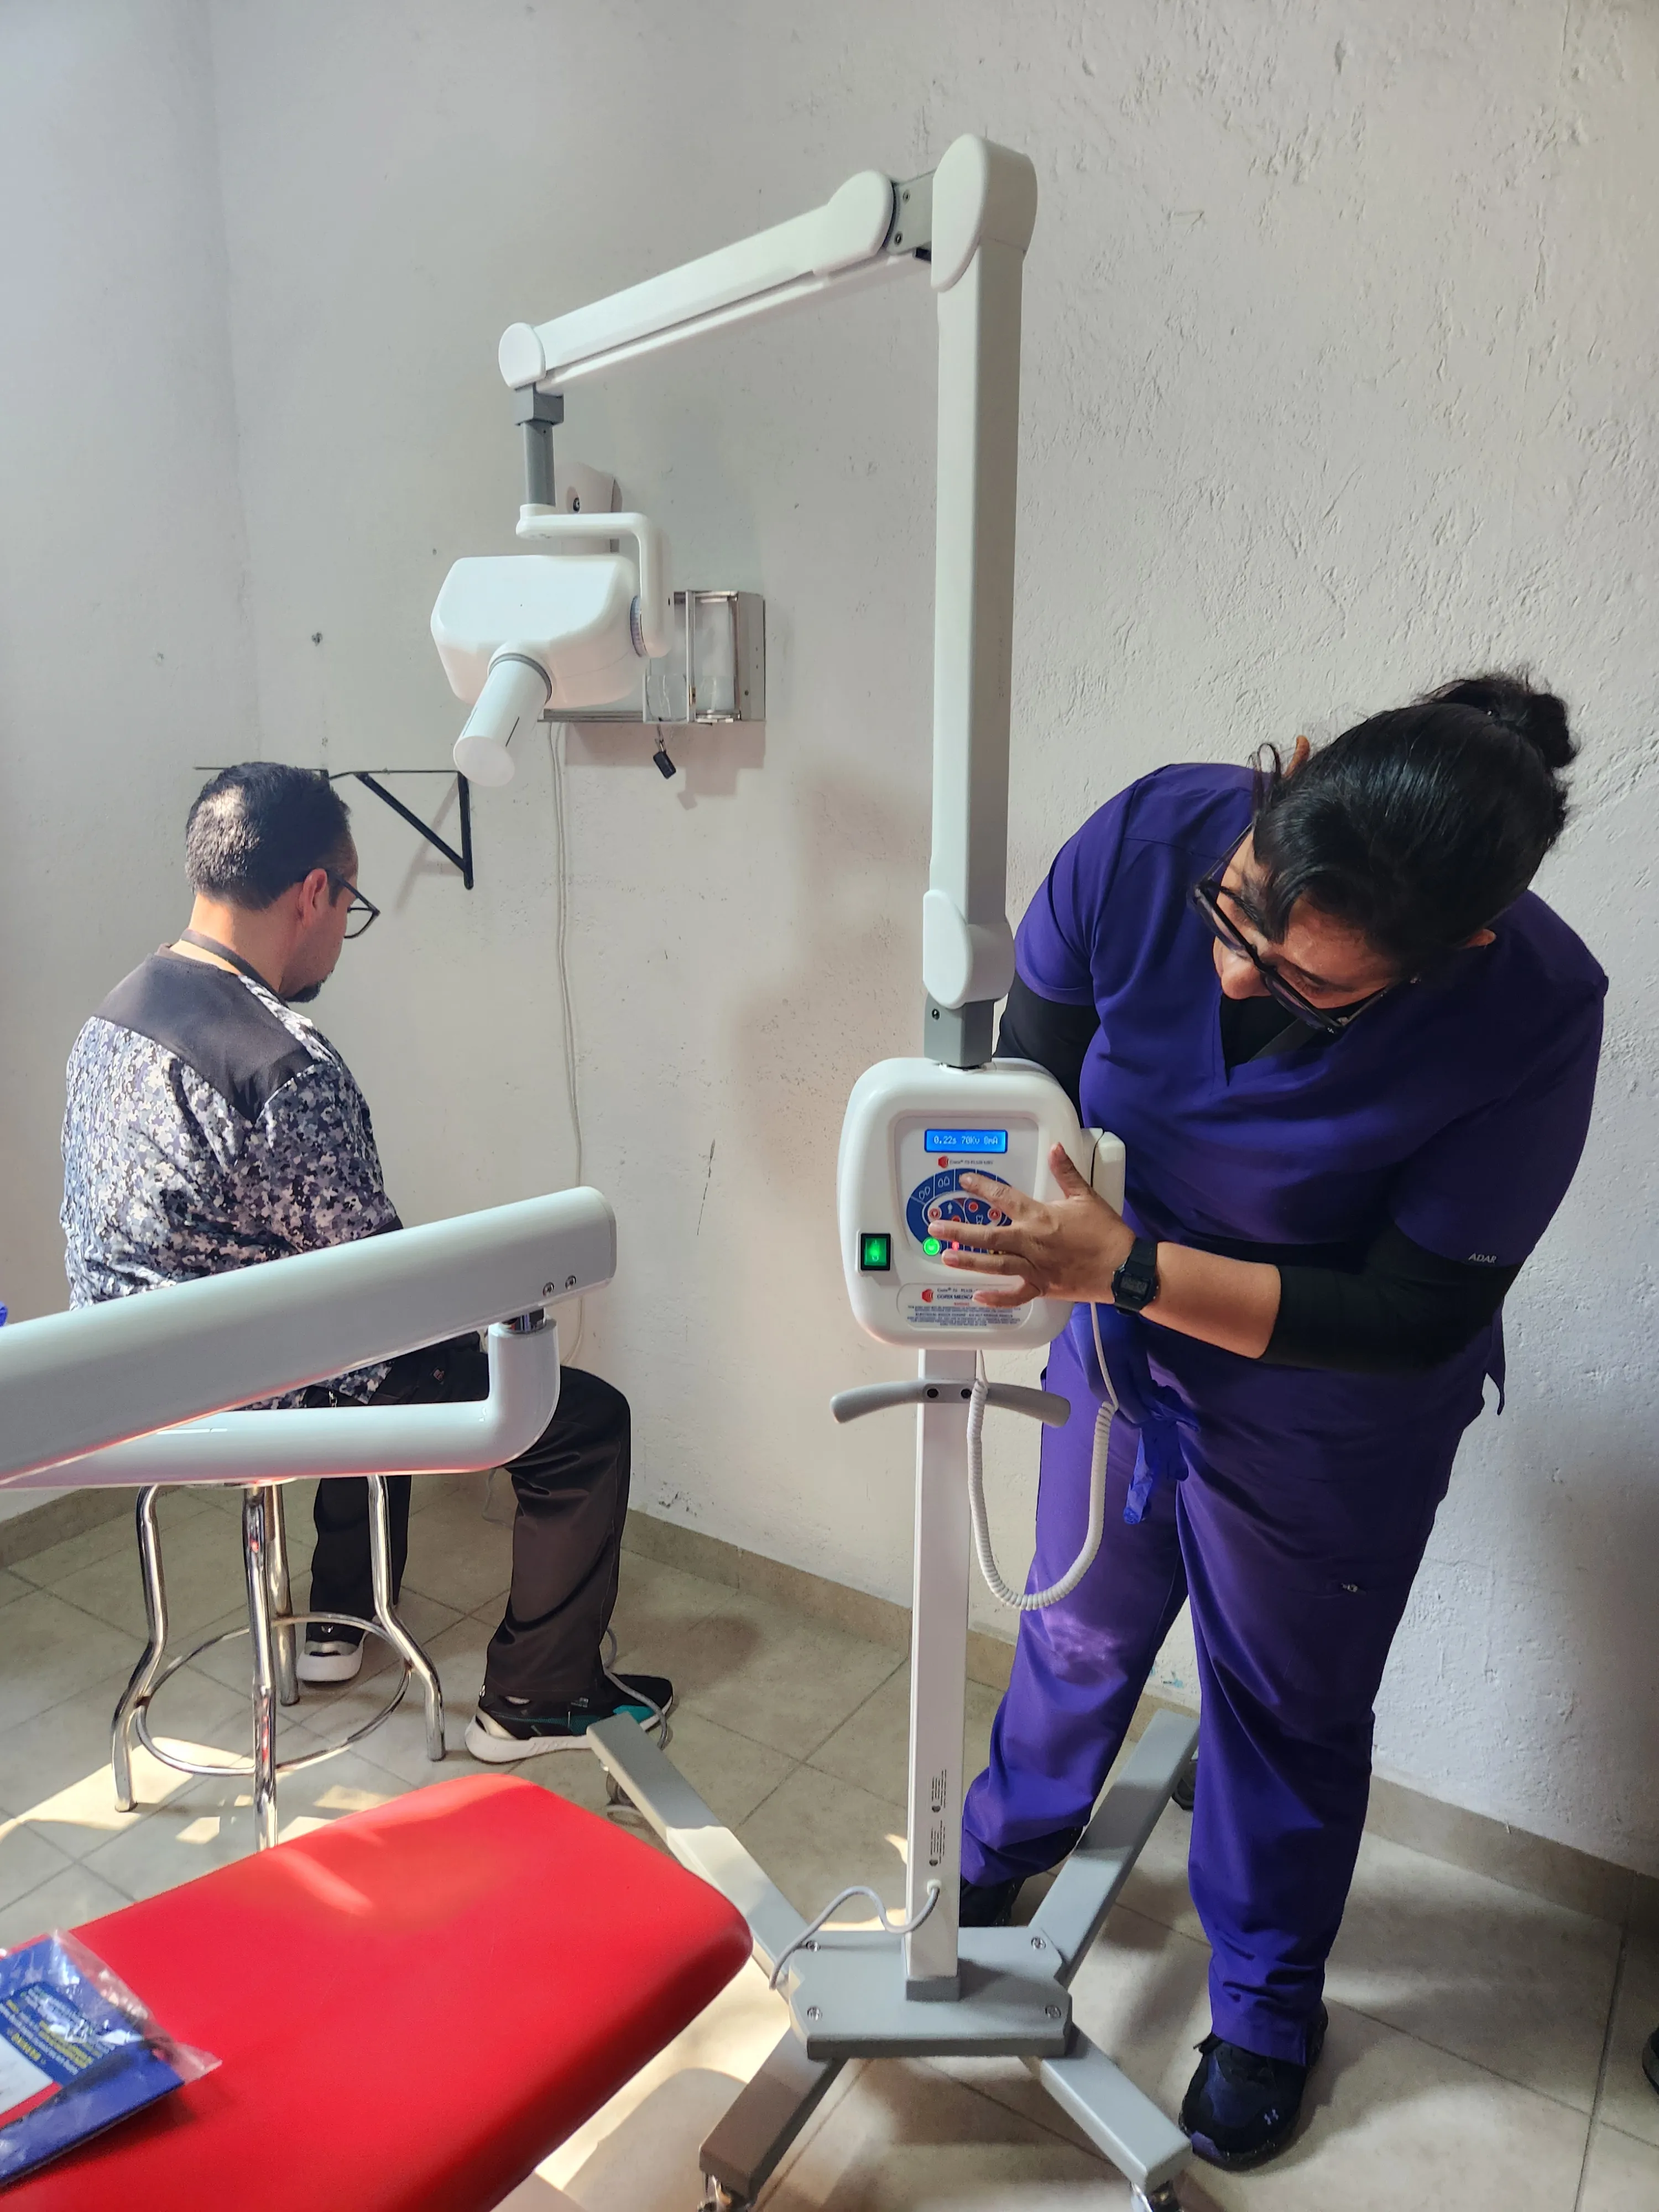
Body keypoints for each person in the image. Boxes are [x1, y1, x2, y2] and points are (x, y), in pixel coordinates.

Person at [937, 675, 1605, 2171]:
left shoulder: (1533, 1013)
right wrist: (1017, 1243)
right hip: (1112, 1340)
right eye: (1236, 921)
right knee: (1079, 1627)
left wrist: (1140, 1266)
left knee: (1283, 1708)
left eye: (1312, 986)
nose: (1241, 980)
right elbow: (1029, 1068)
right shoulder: (1149, 837)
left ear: (1456, 959)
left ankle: (1262, 2002)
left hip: (1328, 1413)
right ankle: (1007, 1846)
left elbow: (1413, 1310)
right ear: (1276, 786)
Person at [60, 761, 670, 1760]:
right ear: (314, 893)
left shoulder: (115, 1013)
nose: (345, 929)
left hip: (120, 1372)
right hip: (233, 1394)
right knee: (576, 1419)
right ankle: (536, 1702)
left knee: (343, 1335)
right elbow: (386, 1297)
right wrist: (507, 1288)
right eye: (352, 902)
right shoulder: (283, 1063)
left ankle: (339, 1625)